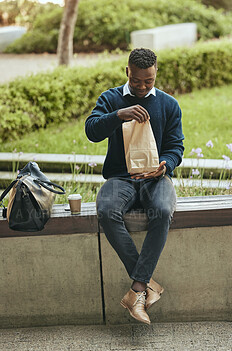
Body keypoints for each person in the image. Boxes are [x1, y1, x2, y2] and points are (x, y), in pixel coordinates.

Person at [85, 48, 184, 325]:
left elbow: (176, 147)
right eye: (137, 80)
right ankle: (147, 284)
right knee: (106, 211)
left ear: (156, 74)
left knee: (163, 211)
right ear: (127, 71)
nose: (142, 86)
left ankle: (137, 290)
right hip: (120, 178)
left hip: (155, 177)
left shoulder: (168, 104)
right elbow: (91, 130)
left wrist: (165, 165)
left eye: (148, 81)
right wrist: (118, 114)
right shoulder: (111, 98)